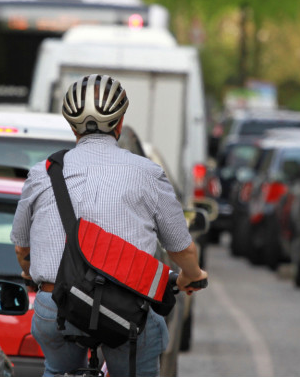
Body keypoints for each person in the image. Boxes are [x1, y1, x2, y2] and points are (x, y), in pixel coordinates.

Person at [11, 74, 208, 376]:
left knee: (56, 367)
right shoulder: (147, 173)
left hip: (56, 306)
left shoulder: (42, 174)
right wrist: (190, 276)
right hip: (127, 313)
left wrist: (28, 272)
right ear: (120, 122)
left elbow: (22, 247)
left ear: (71, 125)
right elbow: (182, 249)